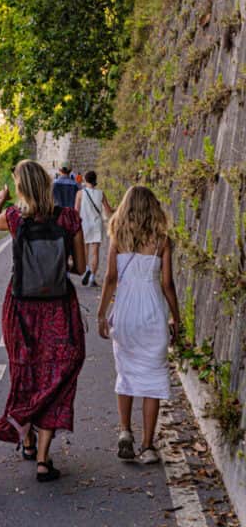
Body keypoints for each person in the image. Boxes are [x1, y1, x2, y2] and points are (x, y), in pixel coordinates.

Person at [0, 160, 86, 482]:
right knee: (57, 375)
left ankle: (25, 436)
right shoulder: (69, 219)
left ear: (20, 188)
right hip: (59, 307)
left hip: (21, 309)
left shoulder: (15, 218)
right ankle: (44, 459)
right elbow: (79, 267)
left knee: (25, 372)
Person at [97, 186, 181, 464]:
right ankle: (147, 446)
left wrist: (101, 313)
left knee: (127, 373)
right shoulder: (162, 240)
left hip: (126, 311)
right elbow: (167, 284)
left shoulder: (118, 236)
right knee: (153, 380)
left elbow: (110, 278)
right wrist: (176, 316)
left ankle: (124, 432)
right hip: (153, 311)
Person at [75, 170, 113, 287]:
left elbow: (76, 211)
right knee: (95, 252)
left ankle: (86, 270)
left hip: (84, 224)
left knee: (85, 250)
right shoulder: (101, 193)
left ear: (85, 180)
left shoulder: (80, 193)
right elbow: (108, 211)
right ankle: (92, 277)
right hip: (97, 224)